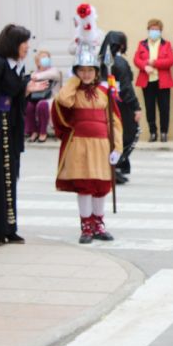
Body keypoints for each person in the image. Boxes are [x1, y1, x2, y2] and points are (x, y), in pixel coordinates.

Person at [51, 43, 122, 243]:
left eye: (90, 70)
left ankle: (99, 223)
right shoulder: (73, 92)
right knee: (85, 185)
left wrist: (117, 147)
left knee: (100, 185)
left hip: (101, 145)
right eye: (81, 70)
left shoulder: (104, 92)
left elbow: (114, 121)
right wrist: (74, 81)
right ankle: (86, 226)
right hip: (80, 145)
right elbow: (63, 100)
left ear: (96, 72)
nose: (86, 74)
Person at [0, 24, 48, 246]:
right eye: (23, 43)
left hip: (12, 125)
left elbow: (15, 93)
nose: (27, 47)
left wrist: (27, 90)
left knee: (11, 175)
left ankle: (10, 226)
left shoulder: (17, 65)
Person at [99, 31, 142, 184]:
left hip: (104, 103)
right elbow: (126, 88)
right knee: (127, 135)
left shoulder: (101, 60)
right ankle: (115, 165)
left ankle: (120, 165)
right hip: (120, 104)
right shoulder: (118, 62)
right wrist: (136, 107)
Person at [133, 18, 173, 142]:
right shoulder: (142, 44)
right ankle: (152, 132)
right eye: (152, 29)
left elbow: (170, 61)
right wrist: (145, 66)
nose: (154, 31)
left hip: (162, 81)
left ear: (161, 31)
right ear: (148, 30)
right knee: (149, 107)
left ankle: (163, 132)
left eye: (156, 29)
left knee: (164, 108)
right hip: (147, 81)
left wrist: (155, 63)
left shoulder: (166, 44)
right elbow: (136, 59)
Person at [25, 50, 62, 142]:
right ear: (37, 61)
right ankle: (34, 131)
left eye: (47, 57)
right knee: (29, 106)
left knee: (42, 105)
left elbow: (53, 75)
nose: (46, 59)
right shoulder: (34, 72)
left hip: (51, 98)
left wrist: (35, 77)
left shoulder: (54, 70)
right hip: (35, 97)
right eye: (43, 57)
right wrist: (33, 76)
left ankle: (42, 132)